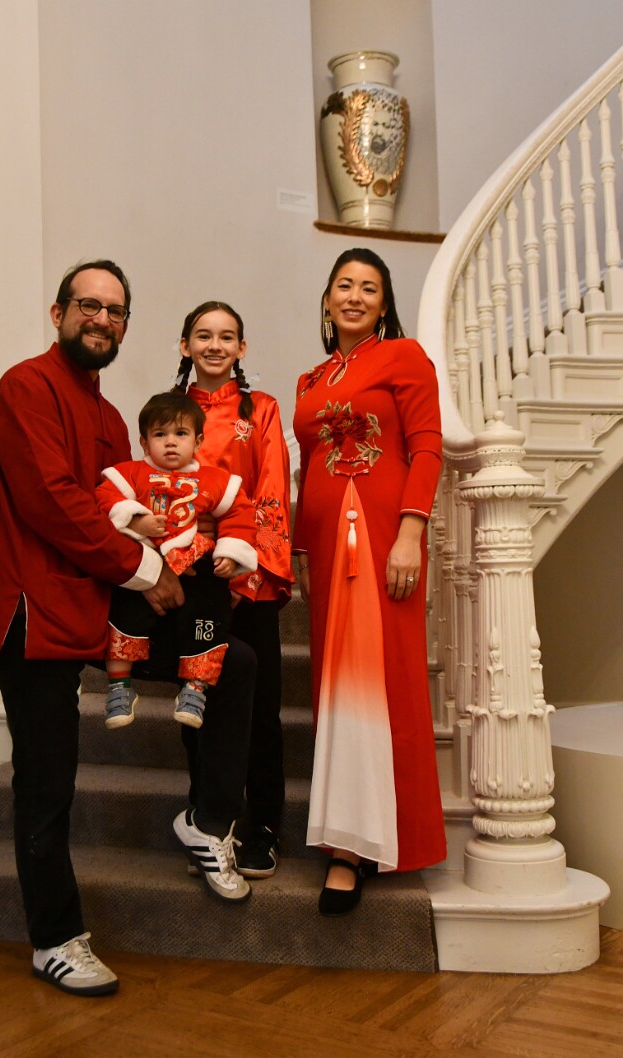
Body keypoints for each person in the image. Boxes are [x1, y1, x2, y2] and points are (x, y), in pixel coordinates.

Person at [0, 262, 255, 998]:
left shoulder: (108, 416)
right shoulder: (23, 387)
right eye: (88, 305)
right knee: (47, 782)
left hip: (94, 608)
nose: (101, 319)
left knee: (234, 660)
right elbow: (55, 504)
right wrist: (145, 566)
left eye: (115, 311)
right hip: (32, 614)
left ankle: (206, 817)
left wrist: (184, 550)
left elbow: (117, 502)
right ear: (58, 310)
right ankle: (55, 939)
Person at [292, 248, 446, 915]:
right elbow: (308, 466)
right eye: (344, 286)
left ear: (384, 305)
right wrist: (299, 546)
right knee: (335, 687)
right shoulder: (310, 378)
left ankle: (360, 849)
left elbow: (428, 446)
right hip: (326, 548)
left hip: (385, 539)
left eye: (369, 288)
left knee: (384, 680)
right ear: (327, 300)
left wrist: (411, 531)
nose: (355, 296)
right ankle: (346, 830)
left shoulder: (405, 357)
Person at [173, 301, 292, 878]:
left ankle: (263, 826)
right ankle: (208, 820)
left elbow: (271, 493)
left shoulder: (262, 411)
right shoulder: (171, 411)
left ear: (242, 349)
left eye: (227, 337)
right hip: (192, 579)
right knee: (198, 703)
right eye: (203, 335)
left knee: (260, 710)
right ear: (185, 346)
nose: (215, 345)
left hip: (248, 579)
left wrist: (247, 575)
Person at [96, 391, 257, 729]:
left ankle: (195, 688)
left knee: (209, 615)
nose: (170, 443)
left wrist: (230, 552)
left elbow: (239, 514)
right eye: (160, 434)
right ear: (144, 441)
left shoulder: (215, 481)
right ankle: (120, 686)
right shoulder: (131, 475)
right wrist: (135, 519)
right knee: (123, 610)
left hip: (195, 567)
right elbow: (103, 500)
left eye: (180, 434)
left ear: (198, 440)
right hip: (147, 568)